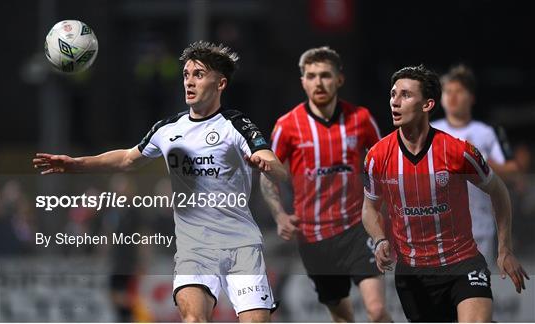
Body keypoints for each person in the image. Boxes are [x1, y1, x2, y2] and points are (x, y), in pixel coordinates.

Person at [33, 41, 288, 323]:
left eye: (199, 74)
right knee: (193, 318)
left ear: (220, 83)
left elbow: (275, 166)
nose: (189, 81)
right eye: (186, 74)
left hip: (241, 245)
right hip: (195, 249)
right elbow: (127, 159)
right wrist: (76, 164)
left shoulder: (236, 125)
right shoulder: (168, 129)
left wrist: (266, 164)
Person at [362, 65, 529, 322]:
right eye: (393, 94)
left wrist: (504, 248)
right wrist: (380, 239)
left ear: (427, 104)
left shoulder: (458, 152)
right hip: (413, 274)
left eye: (405, 95)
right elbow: (369, 208)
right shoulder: (377, 156)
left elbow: (499, 191)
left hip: (463, 262)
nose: (395, 101)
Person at [260, 47, 391, 322]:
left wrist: (386, 212)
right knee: (343, 317)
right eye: (311, 76)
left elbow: (383, 166)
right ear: (303, 82)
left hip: (358, 229)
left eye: (325, 75)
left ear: (339, 80)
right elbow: (267, 174)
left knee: (377, 311)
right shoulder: (288, 125)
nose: (318, 82)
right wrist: (279, 215)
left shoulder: (361, 119)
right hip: (314, 239)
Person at [431, 64, 525, 266]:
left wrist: (477, 159)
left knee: (477, 292)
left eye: (459, 91)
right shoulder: (431, 132)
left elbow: (512, 171)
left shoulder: (488, 132)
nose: (452, 97)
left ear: (471, 97)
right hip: (437, 231)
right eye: (447, 92)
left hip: (478, 230)